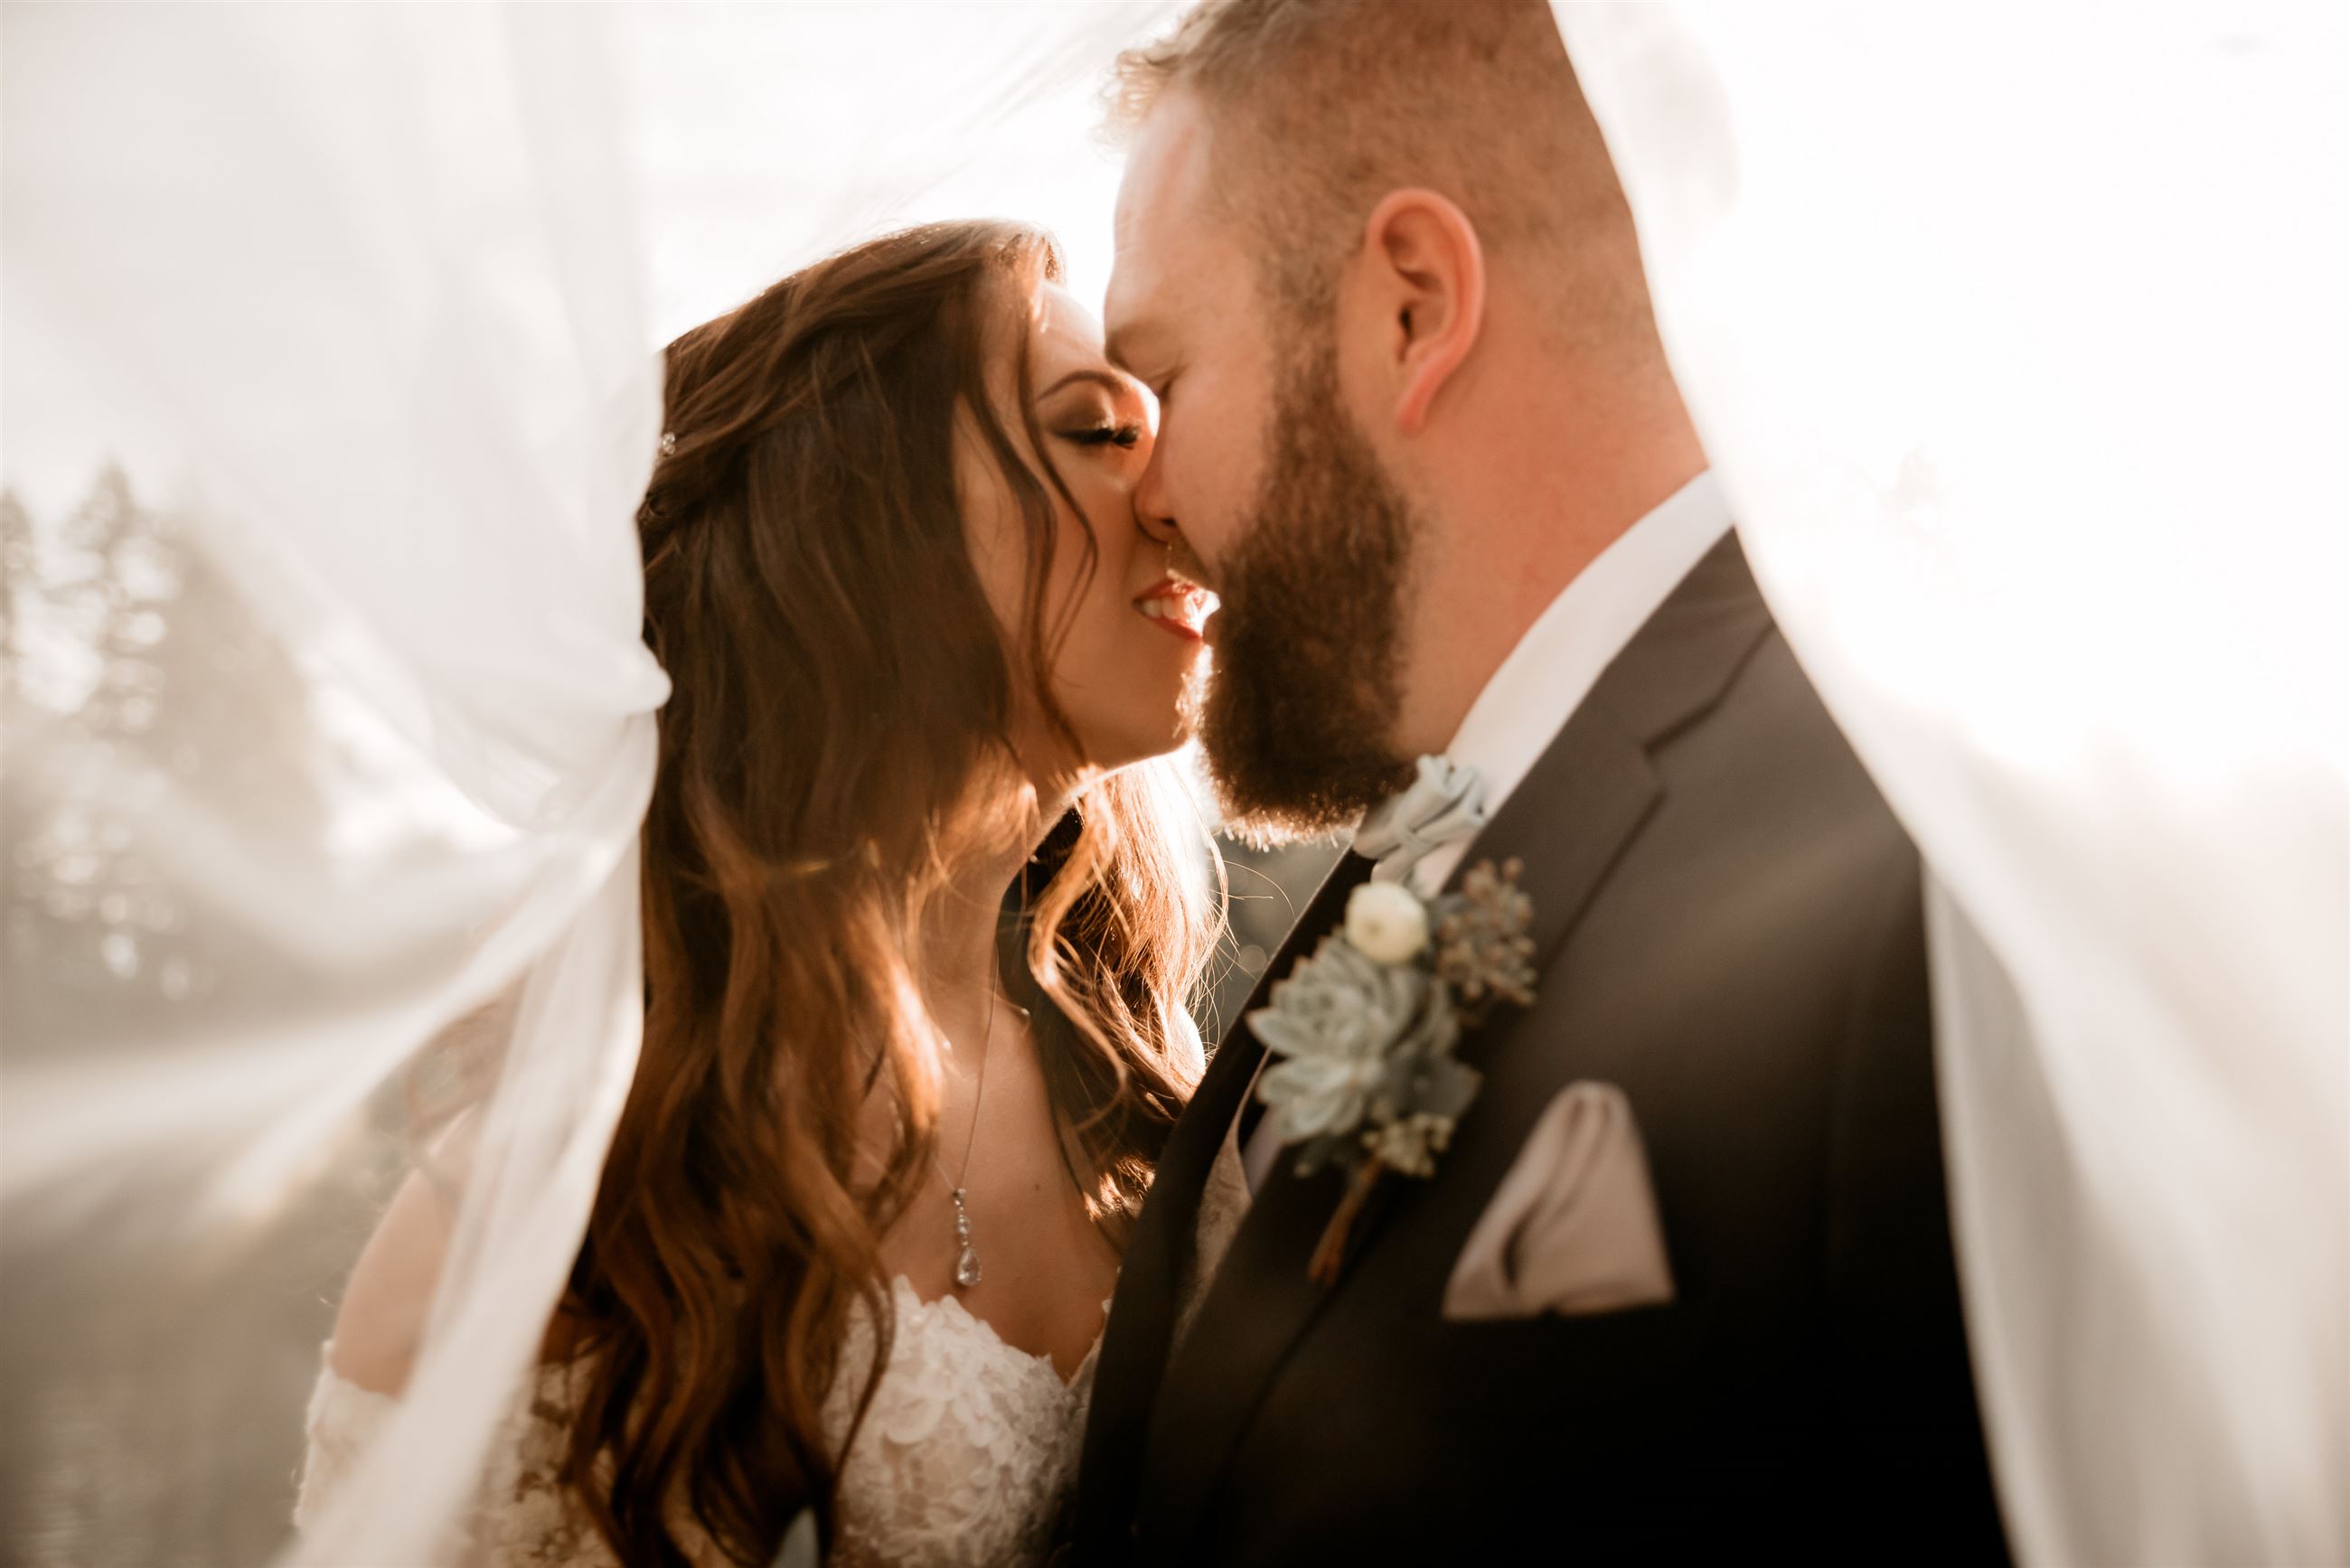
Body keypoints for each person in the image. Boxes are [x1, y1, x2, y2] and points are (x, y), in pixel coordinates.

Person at [1072, 2, 2009, 1562]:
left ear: (1412, 310)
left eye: (1163, 371)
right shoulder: (1430, 842)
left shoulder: (1908, 860)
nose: (1150, 499)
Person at [296, 220, 1221, 1568]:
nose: (1178, 495)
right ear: (865, 523)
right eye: (1097, 432)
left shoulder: (1146, 1077)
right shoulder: (558, 1214)